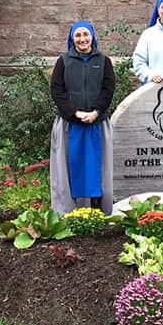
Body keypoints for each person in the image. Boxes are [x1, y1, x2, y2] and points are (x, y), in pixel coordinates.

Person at [49, 21, 116, 214]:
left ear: (92, 37)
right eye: (77, 35)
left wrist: (96, 112)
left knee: (97, 168)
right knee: (69, 169)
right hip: (70, 125)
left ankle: (99, 209)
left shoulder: (103, 61)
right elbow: (57, 90)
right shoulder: (64, 61)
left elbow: (108, 89)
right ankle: (68, 211)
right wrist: (75, 112)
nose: (82, 39)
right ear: (72, 39)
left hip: (97, 123)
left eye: (85, 34)